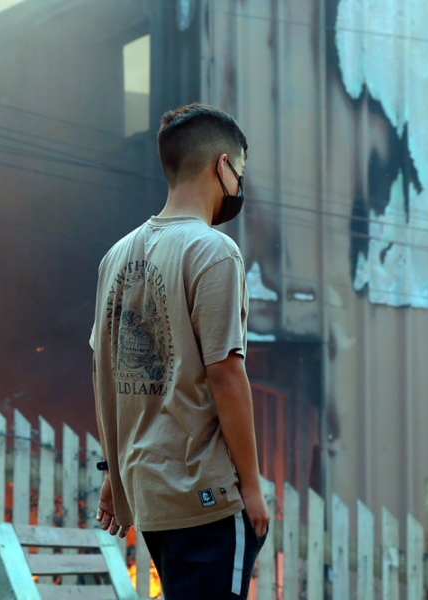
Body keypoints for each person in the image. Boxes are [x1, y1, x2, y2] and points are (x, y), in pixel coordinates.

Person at [90, 103, 269, 599]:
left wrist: (114, 474)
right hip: (207, 495)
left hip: (150, 495)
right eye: (240, 171)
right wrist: (252, 488)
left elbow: (106, 373)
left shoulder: (115, 256)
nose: (240, 183)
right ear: (222, 166)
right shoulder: (214, 251)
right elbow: (226, 374)